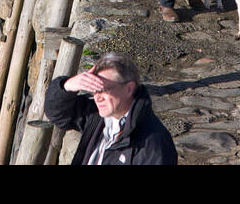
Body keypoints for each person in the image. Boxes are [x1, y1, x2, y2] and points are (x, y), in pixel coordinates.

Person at [44, 52, 177, 165]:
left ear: (129, 88)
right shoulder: (98, 115)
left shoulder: (154, 144)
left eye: (104, 90)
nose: (98, 97)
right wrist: (68, 86)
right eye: (95, 90)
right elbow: (57, 114)